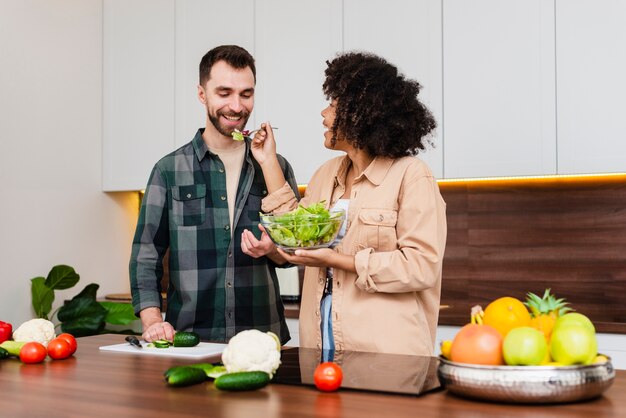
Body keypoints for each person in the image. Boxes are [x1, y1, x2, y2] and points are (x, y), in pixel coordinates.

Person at [241, 52, 447, 356]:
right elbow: (300, 232)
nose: (324, 114)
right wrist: (267, 160)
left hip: (386, 353)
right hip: (320, 342)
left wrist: (337, 260)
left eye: (334, 106)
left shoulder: (411, 175)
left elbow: (421, 267)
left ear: (362, 114)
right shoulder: (326, 174)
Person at [130, 45, 299, 344]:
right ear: (202, 94)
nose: (236, 106)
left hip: (263, 339)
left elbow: (294, 253)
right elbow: (147, 255)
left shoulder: (275, 165)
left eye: (246, 94)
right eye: (224, 93)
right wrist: (153, 320)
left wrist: (271, 250)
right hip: (190, 339)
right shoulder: (169, 170)